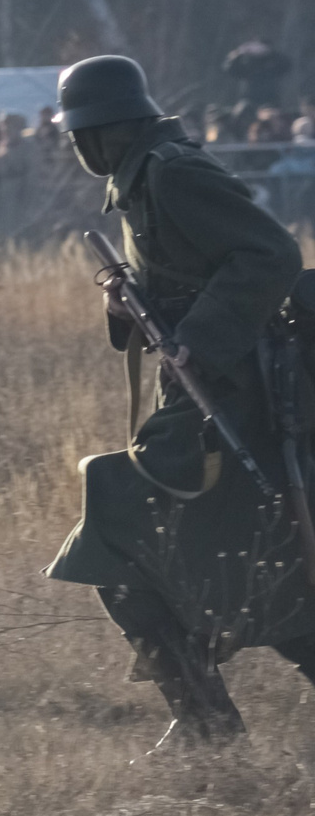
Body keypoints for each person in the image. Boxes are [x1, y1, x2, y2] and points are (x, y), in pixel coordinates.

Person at [45, 54, 315, 741]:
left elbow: (272, 255)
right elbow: (185, 279)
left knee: (115, 528)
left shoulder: (173, 174)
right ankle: (202, 714)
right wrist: (131, 309)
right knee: (258, 554)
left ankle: (206, 721)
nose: (78, 147)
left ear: (112, 129)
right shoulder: (141, 177)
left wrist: (199, 335)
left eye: (85, 133)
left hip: (236, 394)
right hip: (206, 395)